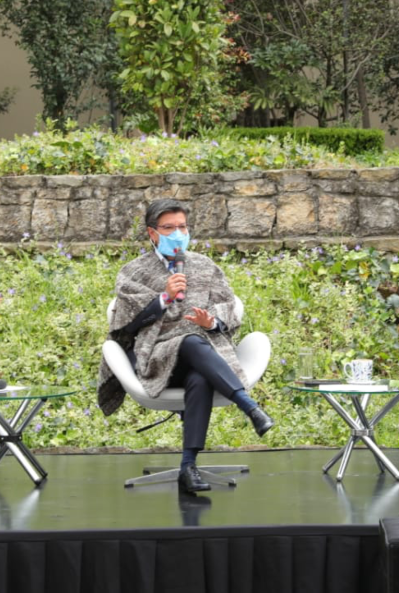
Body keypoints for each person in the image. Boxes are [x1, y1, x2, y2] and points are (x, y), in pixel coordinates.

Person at [98, 199, 274, 494]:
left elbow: (229, 308)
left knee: (199, 372)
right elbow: (125, 327)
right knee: (189, 341)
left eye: (182, 227)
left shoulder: (206, 267)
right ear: (152, 233)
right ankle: (250, 407)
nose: (178, 233)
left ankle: (188, 466)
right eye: (169, 228)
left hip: (205, 360)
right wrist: (164, 298)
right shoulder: (133, 272)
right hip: (155, 357)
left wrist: (212, 323)